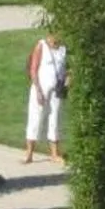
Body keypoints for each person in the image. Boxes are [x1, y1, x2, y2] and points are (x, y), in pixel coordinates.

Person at [23, 31, 68, 164]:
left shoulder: (62, 49)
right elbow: (33, 68)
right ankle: (29, 153)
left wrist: (67, 79)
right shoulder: (41, 46)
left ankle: (54, 153)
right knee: (36, 117)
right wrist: (37, 90)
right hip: (41, 88)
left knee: (55, 118)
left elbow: (65, 68)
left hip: (56, 89)